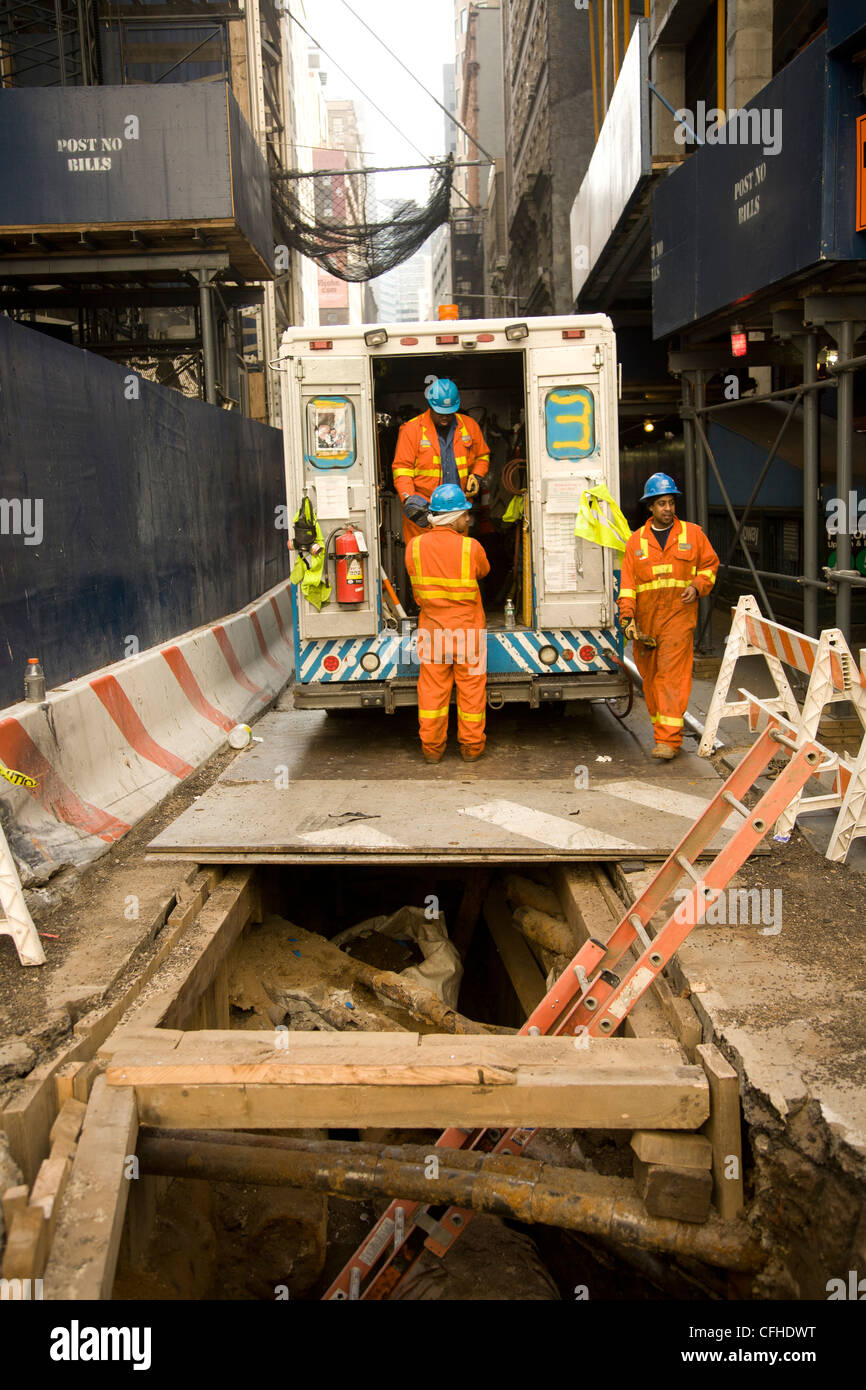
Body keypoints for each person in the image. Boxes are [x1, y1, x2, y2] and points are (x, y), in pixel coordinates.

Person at [618, 473, 719, 760]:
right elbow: (628, 585)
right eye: (661, 503)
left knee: (671, 678)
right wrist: (627, 618)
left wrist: (697, 587)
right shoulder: (636, 541)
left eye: (671, 502)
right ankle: (663, 731)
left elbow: (710, 566)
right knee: (651, 680)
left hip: (678, 618)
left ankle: (668, 740)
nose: (668, 509)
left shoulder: (693, 534)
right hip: (647, 623)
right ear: (650, 506)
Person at [405, 483, 490, 764]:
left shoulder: (414, 547)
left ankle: (432, 750)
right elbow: (484, 570)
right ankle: (472, 748)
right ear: (452, 517)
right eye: (465, 514)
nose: (469, 518)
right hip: (469, 633)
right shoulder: (471, 548)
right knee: (472, 691)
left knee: (432, 692)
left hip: (432, 632)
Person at [392, 376, 490, 544]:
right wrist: (410, 500)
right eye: (440, 412)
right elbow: (402, 470)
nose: (445, 416)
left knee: (457, 562)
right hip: (425, 511)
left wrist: (477, 475)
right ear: (430, 405)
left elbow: (482, 456)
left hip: (458, 512)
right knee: (423, 563)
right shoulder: (411, 430)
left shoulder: (469, 426)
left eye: (449, 412)